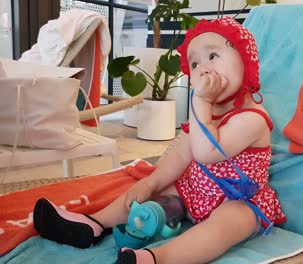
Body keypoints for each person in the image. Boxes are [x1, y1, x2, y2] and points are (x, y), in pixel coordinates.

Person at [33, 17, 286, 264]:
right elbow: (181, 155)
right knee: (145, 194)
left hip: (238, 199)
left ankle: (158, 258)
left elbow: (206, 152)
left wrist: (200, 102)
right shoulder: (207, 113)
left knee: (229, 223)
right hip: (195, 191)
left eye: (212, 56)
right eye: (194, 64)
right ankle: (94, 223)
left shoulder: (252, 119)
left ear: (245, 60)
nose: (203, 68)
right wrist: (151, 183)